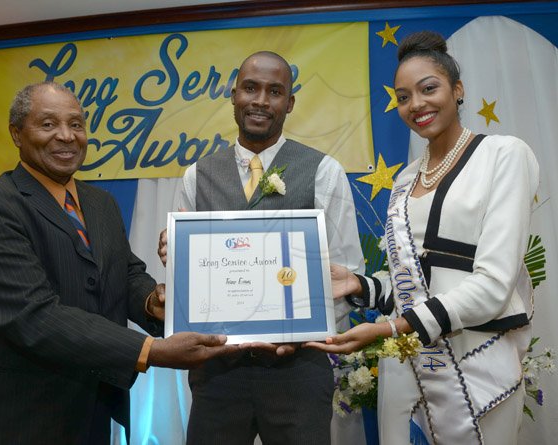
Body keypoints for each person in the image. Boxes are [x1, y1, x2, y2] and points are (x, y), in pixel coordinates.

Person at [0, 81, 237, 445]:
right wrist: (149, 351)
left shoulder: (99, 202)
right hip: (19, 417)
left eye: (76, 124)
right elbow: (33, 315)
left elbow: (125, 273)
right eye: (48, 124)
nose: (66, 136)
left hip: (93, 409)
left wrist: (153, 301)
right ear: (16, 133)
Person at [306, 31, 539, 444]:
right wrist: (361, 285)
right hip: (407, 369)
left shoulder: (503, 155)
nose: (416, 104)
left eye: (428, 88)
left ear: (457, 89)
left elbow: (493, 285)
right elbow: (414, 282)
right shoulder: (405, 179)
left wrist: (391, 329)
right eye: (402, 97)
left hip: (478, 363)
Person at [158, 51, 369, 445]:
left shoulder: (324, 172)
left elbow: (345, 272)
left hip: (299, 373)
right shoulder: (196, 176)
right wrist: (176, 260)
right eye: (250, 88)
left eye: (275, 91)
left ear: (289, 103)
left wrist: (308, 335)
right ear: (233, 94)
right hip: (218, 373)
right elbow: (188, 276)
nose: (260, 100)